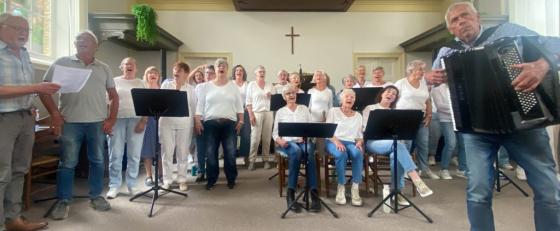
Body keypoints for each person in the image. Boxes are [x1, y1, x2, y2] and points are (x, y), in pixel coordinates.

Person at [427, 2, 560, 230]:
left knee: (549, 191)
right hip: (476, 128)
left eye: (465, 16)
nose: (461, 22)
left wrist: (543, 64)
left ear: (477, 17)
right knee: (478, 192)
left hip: (523, 122)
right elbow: (433, 81)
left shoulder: (508, 31)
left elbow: (555, 43)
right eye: (455, 21)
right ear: (450, 29)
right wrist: (431, 79)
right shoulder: (447, 52)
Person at [40, 30, 119, 220]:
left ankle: (96, 196)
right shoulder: (61, 63)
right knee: (67, 163)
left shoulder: (104, 68)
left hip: (97, 123)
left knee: (98, 161)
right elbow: (43, 90)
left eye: (87, 40)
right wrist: (55, 114)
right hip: (70, 123)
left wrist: (111, 119)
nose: (82, 41)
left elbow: (114, 96)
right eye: (78, 40)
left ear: (96, 46)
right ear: (74, 44)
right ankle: (63, 200)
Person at [0, 13, 58, 230]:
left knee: (19, 169)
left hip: (25, 117)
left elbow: (20, 87)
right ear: (1, 27)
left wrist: (30, 101)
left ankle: (13, 219)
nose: (23, 33)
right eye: (17, 28)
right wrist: (36, 88)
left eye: (27, 29)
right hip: (3, 118)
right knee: (1, 173)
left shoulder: (24, 54)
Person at [363, 86, 433, 205]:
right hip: (373, 142)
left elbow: (399, 132)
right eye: (388, 91)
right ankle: (416, 178)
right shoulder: (370, 108)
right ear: (382, 94)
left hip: (392, 144)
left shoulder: (395, 113)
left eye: (394, 94)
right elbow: (365, 128)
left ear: (395, 99)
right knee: (398, 145)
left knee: (396, 155)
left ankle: (397, 191)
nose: (391, 94)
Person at [195, 58, 244, 190]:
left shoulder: (233, 86)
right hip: (210, 123)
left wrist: (241, 120)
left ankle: (231, 178)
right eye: (218, 66)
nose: (221, 68)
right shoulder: (206, 86)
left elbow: (239, 105)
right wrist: (197, 121)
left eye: (223, 66)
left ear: (227, 69)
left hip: (230, 124)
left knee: (230, 152)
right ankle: (211, 179)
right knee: (210, 153)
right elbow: (200, 106)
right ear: (215, 70)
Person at [272, 85, 320, 213]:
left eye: (293, 93)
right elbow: (275, 133)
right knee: (296, 152)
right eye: (288, 93)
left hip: (303, 140)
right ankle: (291, 194)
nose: (291, 95)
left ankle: (314, 193)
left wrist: (306, 136)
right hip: (288, 143)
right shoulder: (280, 111)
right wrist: (280, 140)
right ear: (284, 97)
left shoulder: (304, 109)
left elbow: (310, 127)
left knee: (309, 152)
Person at [106, 57, 146, 199]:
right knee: (115, 154)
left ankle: (132, 185)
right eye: (126, 64)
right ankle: (114, 185)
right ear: (121, 67)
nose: (129, 66)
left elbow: (147, 105)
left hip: (136, 120)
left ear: (136, 68)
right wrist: (108, 121)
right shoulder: (114, 81)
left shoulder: (142, 83)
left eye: (132, 64)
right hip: (116, 120)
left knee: (134, 155)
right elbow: (107, 102)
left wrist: (143, 121)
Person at [394, 60, 438, 179]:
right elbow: (392, 100)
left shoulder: (423, 83)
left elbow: (427, 100)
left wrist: (429, 114)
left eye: (424, 69)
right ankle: (405, 170)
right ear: (411, 70)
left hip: (421, 117)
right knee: (406, 145)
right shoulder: (401, 83)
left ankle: (424, 169)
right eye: (421, 69)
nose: (423, 72)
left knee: (424, 144)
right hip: (404, 118)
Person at [159, 61, 195, 191]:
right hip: (166, 123)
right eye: (174, 69)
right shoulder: (166, 85)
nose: (176, 72)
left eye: (179, 70)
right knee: (167, 153)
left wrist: (194, 123)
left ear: (186, 73)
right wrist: (177, 87)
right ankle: (167, 179)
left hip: (184, 124)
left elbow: (193, 107)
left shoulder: (190, 89)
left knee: (182, 152)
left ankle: (182, 179)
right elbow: (163, 102)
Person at [325, 89, 364, 206]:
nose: (349, 99)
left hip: (351, 142)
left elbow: (359, 135)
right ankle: (341, 186)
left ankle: (355, 188)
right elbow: (328, 132)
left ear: (354, 100)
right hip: (333, 141)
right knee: (341, 154)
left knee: (358, 154)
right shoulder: (333, 111)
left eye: (352, 97)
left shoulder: (358, 115)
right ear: (341, 99)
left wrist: (359, 143)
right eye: (347, 96)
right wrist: (337, 142)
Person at [246, 65, 274, 170]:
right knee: (255, 138)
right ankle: (252, 161)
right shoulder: (251, 85)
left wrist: (271, 96)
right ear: (256, 73)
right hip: (256, 113)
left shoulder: (270, 85)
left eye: (263, 71)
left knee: (267, 138)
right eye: (260, 71)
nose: (262, 73)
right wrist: (251, 115)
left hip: (268, 113)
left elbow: (275, 100)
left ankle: (266, 160)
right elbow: (248, 102)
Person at [140, 66, 163, 187]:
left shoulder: (163, 89)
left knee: (161, 149)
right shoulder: (142, 89)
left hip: (162, 122)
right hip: (147, 122)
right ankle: (149, 176)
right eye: (150, 73)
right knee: (147, 149)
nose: (152, 74)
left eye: (155, 72)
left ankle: (161, 175)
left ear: (158, 76)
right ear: (146, 76)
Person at [232, 64, 251, 165]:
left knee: (246, 135)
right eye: (237, 70)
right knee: (232, 135)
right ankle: (232, 157)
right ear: (234, 73)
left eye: (241, 70)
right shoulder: (230, 83)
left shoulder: (248, 84)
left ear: (243, 73)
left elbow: (250, 98)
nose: (239, 72)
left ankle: (246, 157)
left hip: (245, 112)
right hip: (232, 112)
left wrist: (247, 107)